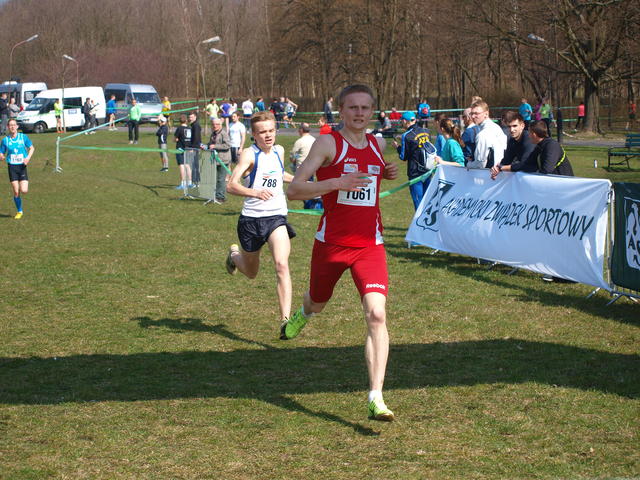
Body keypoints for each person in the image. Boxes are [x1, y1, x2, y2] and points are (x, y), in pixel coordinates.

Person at [284, 84, 399, 422]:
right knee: (317, 302)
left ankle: (376, 397)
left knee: (377, 315)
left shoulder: (378, 144)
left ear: (372, 111)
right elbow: (295, 189)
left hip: (369, 246)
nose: (359, 113)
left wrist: (385, 172)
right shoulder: (328, 144)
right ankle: (303, 314)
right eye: (352, 107)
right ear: (342, 111)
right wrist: (336, 183)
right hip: (332, 245)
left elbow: (371, 175)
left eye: (365, 108)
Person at [225, 110, 296, 326]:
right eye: (263, 132)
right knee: (251, 273)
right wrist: (255, 193)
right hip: (251, 220)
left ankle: (285, 321)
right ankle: (234, 256)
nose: (268, 135)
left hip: (276, 217)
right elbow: (231, 185)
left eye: (271, 130)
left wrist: (303, 183)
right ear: (254, 135)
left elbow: (278, 174)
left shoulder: (279, 151)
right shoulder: (249, 154)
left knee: (281, 265)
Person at [393, 111, 431, 209]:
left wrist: (397, 147)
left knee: (418, 203)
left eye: (402, 121)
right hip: (428, 170)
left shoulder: (406, 135)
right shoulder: (426, 131)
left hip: (415, 173)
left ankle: (419, 219)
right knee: (428, 202)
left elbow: (403, 157)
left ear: (405, 121)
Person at [1, 118, 34, 219]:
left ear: (17, 126)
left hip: (22, 166)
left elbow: (32, 148)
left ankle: (21, 192)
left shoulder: (23, 137)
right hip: (12, 167)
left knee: (24, 190)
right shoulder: (5, 140)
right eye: (10, 125)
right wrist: (1, 156)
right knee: (16, 191)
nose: (12, 127)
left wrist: (28, 158)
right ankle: (19, 211)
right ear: (8, 127)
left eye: (14, 125)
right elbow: (1, 152)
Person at [489, 111, 537, 179]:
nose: (512, 130)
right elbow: (506, 160)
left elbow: (525, 164)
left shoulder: (529, 139)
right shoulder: (512, 140)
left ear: (522, 126)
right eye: (509, 126)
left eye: (515, 126)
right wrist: (496, 169)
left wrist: (502, 168)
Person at [467, 100, 507, 169]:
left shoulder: (483, 134)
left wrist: (468, 164)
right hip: (499, 170)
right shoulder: (496, 127)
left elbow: (480, 165)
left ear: (486, 114)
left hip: (490, 173)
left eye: (476, 113)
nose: (473, 116)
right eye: (471, 113)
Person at [208, 117, 232, 203]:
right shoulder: (213, 133)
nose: (215, 126)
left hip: (223, 160)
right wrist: (206, 146)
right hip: (215, 159)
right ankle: (217, 195)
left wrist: (215, 146)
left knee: (221, 179)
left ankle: (221, 197)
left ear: (220, 125)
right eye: (213, 124)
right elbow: (211, 144)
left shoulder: (224, 134)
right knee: (216, 178)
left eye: (217, 124)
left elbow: (228, 145)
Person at [174, 114, 192, 190]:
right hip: (188, 148)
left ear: (179, 121)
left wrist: (176, 139)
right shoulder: (190, 128)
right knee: (188, 165)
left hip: (180, 149)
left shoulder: (179, 128)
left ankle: (183, 183)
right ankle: (190, 183)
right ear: (186, 120)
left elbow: (175, 139)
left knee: (181, 165)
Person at [188, 112, 202, 187]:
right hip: (195, 147)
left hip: (195, 148)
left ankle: (196, 182)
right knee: (194, 165)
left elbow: (196, 138)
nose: (190, 118)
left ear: (195, 117)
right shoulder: (193, 125)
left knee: (194, 165)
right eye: (189, 117)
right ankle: (196, 181)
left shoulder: (196, 125)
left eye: (192, 117)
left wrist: (192, 148)